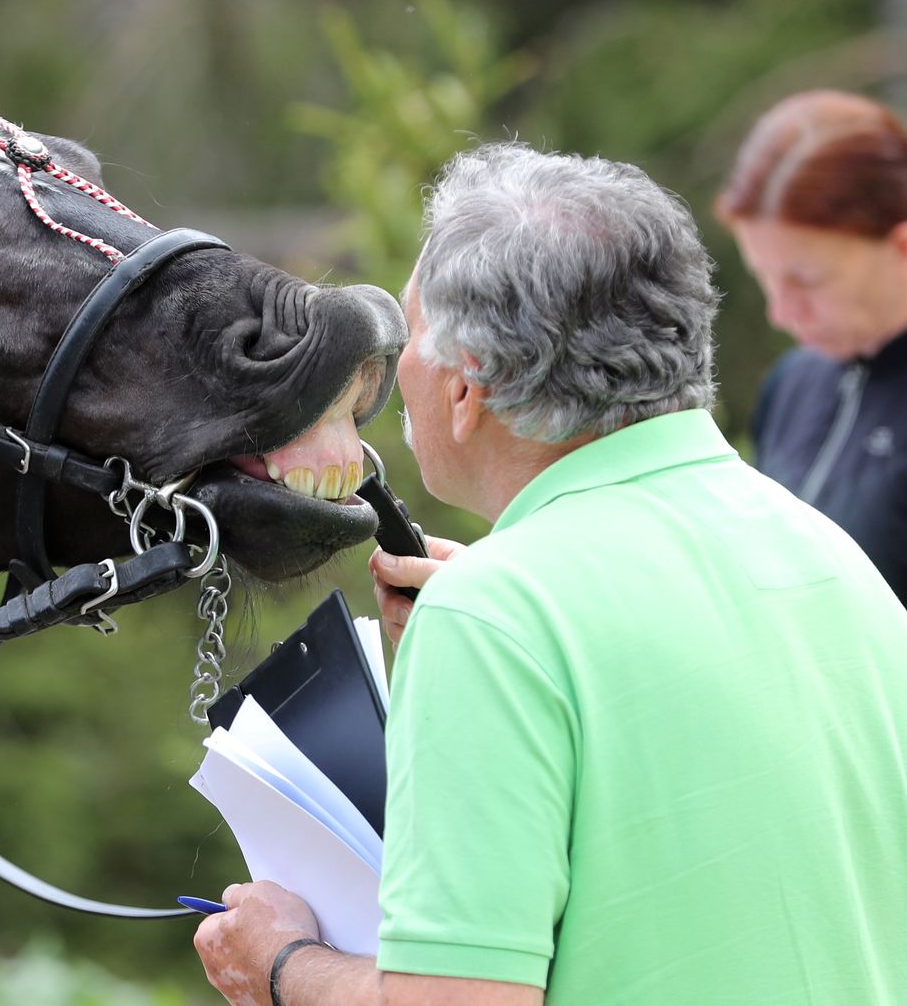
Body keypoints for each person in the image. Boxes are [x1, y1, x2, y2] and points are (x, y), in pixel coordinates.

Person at [192, 143, 907, 1005]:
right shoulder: (835, 562)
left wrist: (276, 966)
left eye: (414, 337)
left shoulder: (497, 619)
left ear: (469, 389)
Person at [717, 89, 907, 605]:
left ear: (900, 248)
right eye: (766, 279)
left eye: (807, 281)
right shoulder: (794, 383)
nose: (780, 313)